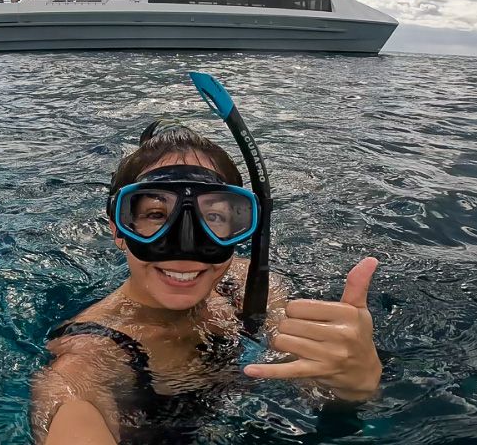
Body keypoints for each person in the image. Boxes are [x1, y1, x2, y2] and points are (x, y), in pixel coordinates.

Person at [31, 116, 382, 444]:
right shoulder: (91, 356)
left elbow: (305, 382)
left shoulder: (246, 285)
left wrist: (353, 386)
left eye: (213, 215)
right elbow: (73, 406)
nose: (186, 244)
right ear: (120, 230)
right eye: (155, 214)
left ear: (240, 226)